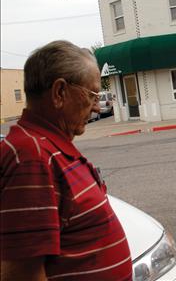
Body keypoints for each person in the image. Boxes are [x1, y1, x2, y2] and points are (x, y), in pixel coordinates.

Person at [0, 40, 132, 280]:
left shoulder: (45, 147)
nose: (96, 107)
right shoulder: (32, 156)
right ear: (60, 93)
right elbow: (22, 274)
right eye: (92, 95)